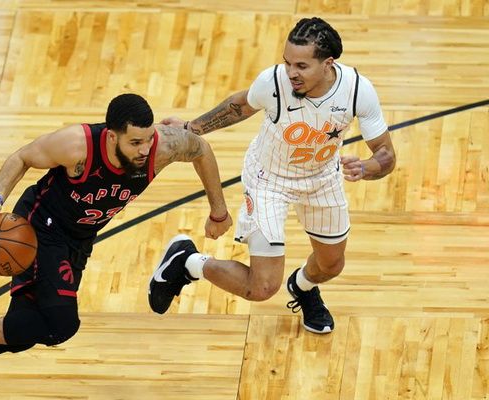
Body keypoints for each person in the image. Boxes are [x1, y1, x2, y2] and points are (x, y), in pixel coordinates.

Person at [0, 93, 232, 400]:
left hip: (79, 238)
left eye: (148, 140)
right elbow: (22, 157)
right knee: (60, 324)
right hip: (41, 227)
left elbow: (202, 150)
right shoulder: (76, 145)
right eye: (135, 142)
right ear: (111, 136)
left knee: (24, 328)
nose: (144, 150)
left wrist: (218, 210)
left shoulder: (164, 146)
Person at [148, 17, 396, 334]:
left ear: (328, 64)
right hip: (269, 180)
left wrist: (368, 167)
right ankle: (189, 262)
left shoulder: (357, 90)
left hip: (322, 179)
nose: (291, 73)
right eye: (287, 62)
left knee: (331, 264)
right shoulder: (274, 83)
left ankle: (302, 287)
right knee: (262, 287)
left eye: (302, 66)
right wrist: (190, 128)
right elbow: (239, 106)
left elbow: (386, 155)